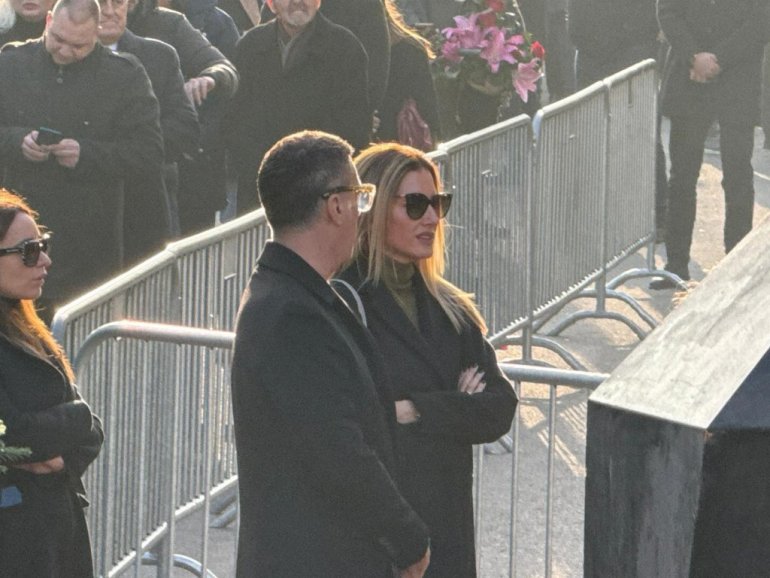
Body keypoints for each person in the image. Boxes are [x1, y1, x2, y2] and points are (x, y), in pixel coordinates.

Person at [231, 130, 431, 577]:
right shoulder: (290, 313)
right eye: (360, 197)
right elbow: (338, 449)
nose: (362, 211)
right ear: (336, 206)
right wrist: (408, 538)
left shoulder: (293, 294)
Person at [339, 142, 518, 576]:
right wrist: (456, 405)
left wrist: (417, 409)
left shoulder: (450, 307)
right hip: (377, 539)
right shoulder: (342, 301)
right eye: (416, 205)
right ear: (375, 209)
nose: (433, 218)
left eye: (439, 203)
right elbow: (356, 424)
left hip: (447, 532)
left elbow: (498, 407)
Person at [0, 0, 163, 316]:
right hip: (19, 239)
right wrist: (17, 141)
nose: (64, 51)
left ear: (97, 34)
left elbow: (149, 152)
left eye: (78, 46)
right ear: (49, 21)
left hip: (90, 243)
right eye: (58, 40)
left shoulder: (124, 76)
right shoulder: (11, 65)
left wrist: (86, 155)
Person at [0, 189, 104, 577]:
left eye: (42, 245)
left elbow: (92, 435)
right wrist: (76, 419)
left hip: (55, 531)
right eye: (28, 251)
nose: (45, 259)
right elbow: (10, 434)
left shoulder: (27, 328)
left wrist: (59, 459)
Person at [651, 0, 766, 289]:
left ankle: (736, 266)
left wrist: (718, 60)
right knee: (682, 177)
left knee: (738, 176)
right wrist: (693, 56)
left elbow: (761, 19)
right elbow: (668, 11)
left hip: (737, 81)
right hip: (689, 79)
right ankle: (676, 264)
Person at [226, 0, 371, 214]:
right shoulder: (250, 46)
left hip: (321, 192)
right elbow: (236, 120)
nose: (298, 2)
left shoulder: (344, 48)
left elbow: (354, 128)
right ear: (271, 3)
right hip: (259, 188)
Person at [98, 0, 200, 264]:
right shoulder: (58, 56)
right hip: (85, 210)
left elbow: (185, 130)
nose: (109, 11)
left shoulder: (159, 56)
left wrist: (127, 151)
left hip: (146, 206)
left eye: (117, 2)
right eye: (98, 2)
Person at [127, 0, 239, 234]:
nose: (110, 10)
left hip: (181, 170)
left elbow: (224, 67)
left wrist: (210, 78)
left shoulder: (172, 24)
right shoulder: (76, 24)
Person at [260, 0, 390, 114]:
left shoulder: (364, 5)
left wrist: (359, 114)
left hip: (340, 121)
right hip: (280, 117)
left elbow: (373, 79)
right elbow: (261, 64)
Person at [376, 0, 440, 148]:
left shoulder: (355, 48)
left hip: (380, 135)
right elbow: (428, 104)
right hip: (404, 140)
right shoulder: (412, 47)